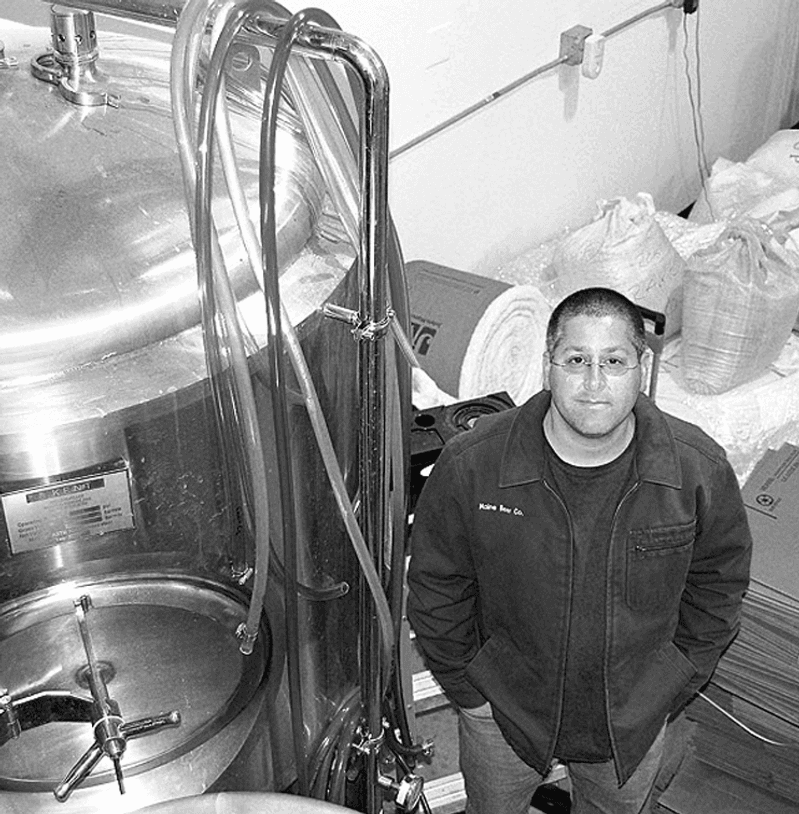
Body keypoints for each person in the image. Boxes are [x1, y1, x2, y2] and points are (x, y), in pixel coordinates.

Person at [406, 287, 752, 814]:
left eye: (613, 361)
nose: (594, 383)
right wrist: (469, 693)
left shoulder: (695, 471)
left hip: (628, 728)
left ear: (643, 365)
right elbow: (436, 586)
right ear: (549, 365)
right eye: (576, 360)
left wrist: (669, 686)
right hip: (504, 714)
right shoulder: (473, 466)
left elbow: (719, 585)